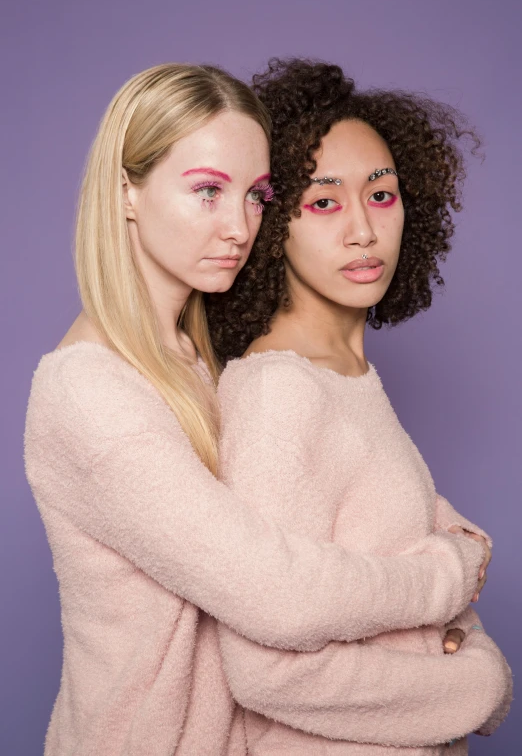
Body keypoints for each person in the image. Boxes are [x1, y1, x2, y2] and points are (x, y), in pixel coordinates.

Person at [25, 62, 487, 756]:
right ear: (126, 192)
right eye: (207, 191)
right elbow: (276, 591)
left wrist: (450, 541)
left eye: (255, 195)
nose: (239, 225)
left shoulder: (193, 360)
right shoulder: (90, 393)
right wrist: (445, 575)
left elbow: (332, 497)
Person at [206, 59, 512, 754]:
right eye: (323, 202)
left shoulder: (346, 378)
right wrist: (477, 684)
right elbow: (266, 670)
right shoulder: (280, 392)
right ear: (271, 220)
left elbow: (389, 580)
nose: (362, 230)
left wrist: (454, 630)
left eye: (380, 195)